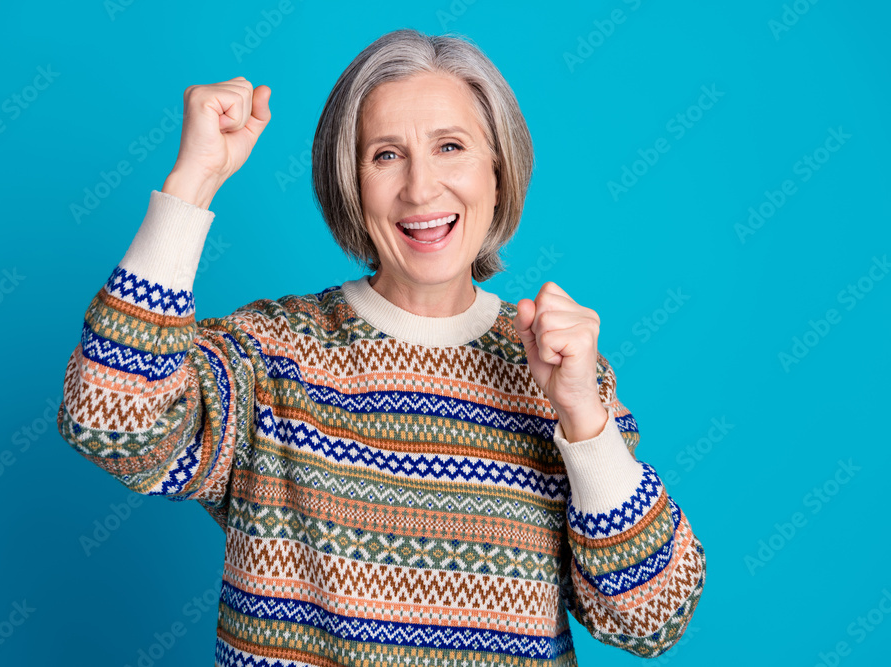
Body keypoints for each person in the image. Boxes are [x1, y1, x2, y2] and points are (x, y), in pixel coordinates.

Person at [56, 28, 705, 666]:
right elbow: (112, 422)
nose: (421, 189)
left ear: (500, 174)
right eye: (386, 155)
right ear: (350, 183)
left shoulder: (560, 376)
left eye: (450, 146)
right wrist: (192, 183)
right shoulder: (271, 356)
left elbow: (651, 620)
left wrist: (584, 420)